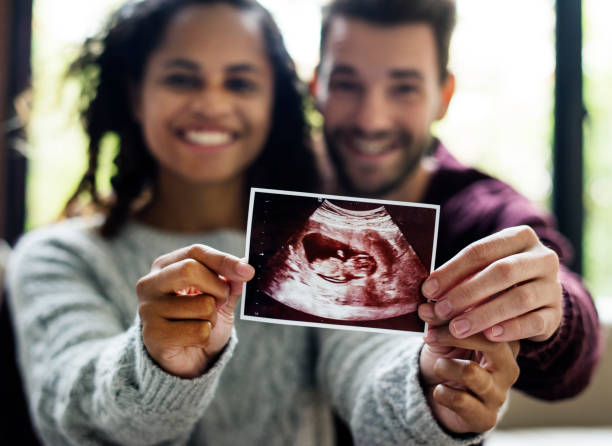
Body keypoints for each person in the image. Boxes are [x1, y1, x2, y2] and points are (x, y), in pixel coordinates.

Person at [6, 1, 519, 445]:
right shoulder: (59, 256)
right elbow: (67, 414)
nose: (212, 103)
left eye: (240, 82)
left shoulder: (314, 238)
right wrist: (156, 362)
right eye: (182, 78)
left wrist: (429, 389)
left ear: (274, 102)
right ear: (135, 94)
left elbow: (365, 363)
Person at [311, 0, 602, 403]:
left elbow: (574, 356)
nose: (371, 119)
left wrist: (553, 312)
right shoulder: (264, 181)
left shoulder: (480, 211)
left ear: (443, 96)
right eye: (346, 84)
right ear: (316, 87)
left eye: (404, 89)